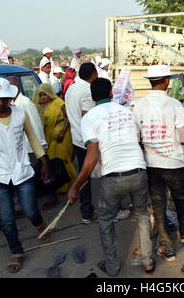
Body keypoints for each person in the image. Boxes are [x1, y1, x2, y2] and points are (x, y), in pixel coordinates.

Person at [68, 77, 155, 276]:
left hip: (113, 177)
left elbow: (91, 156)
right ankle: (148, 260)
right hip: (139, 172)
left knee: (106, 220)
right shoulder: (127, 112)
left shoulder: (89, 118)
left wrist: (76, 185)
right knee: (142, 215)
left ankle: (113, 266)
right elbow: (138, 141)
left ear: (92, 97)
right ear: (110, 94)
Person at [0, 78, 49, 273]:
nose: (0, 103)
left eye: (4, 99)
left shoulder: (20, 114)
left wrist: (43, 160)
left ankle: (40, 223)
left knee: (30, 210)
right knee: (6, 219)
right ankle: (17, 251)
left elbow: (32, 136)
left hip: (22, 171)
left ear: (9, 98)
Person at [133, 64, 184, 262]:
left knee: (158, 206)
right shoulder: (175, 105)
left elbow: (137, 137)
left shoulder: (138, 105)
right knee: (181, 198)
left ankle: (167, 247)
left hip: (152, 163)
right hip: (174, 162)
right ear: (166, 81)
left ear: (150, 81)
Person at [65, 63, 97, 224]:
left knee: (84, 175)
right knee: (95, 174)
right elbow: (87, 117)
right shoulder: (87, 90)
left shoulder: (72, 88)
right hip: (87, 140)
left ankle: (86, 212)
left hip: (76, 138)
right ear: (93, 75)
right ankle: (91, 211)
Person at [33, 83, 77, 193]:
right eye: (41, 95)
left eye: (45, 94)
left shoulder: (59, 103)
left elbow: (68, 118)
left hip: (62, 137)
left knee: (63, 160)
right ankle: (58, 186)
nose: (43, 97)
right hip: (48, 136)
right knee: (52, 160)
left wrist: (62, 132)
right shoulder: (38, 106)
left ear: (50, 94)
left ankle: (72, 184)